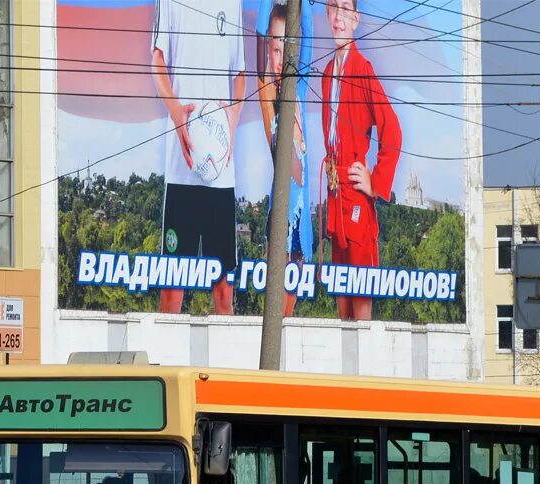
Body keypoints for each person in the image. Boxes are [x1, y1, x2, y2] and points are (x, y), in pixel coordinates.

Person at [151, 0, 244, 315]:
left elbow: (240, 73)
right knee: (172, 288)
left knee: (223, 293)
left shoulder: (233, 4)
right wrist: (176, 111)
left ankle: (222, 364)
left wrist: (233, 116)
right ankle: (168, 363)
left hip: (221, 172)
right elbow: (157, 60)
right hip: (183, 169)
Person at [321, 0, 402, 321]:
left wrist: (375, 182)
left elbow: (392, 132)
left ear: (356, 18)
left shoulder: (363, 70)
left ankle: (364, 367)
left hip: (356, 198)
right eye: (332, 7)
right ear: (326, 13)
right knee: (342, 301)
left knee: (360, 299)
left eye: (345, 8)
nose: (338, 16)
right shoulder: (328, 73)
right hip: (334, 195)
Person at [257, 0, 312, 317]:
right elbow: (258, 34)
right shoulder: (267, 95)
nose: (281, 59)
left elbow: (307, 33)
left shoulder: (299, 90)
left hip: (303, 220)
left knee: (291, 312)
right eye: (275, 50)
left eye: (286, 49)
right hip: (282, 216)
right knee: (279, 308)